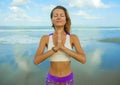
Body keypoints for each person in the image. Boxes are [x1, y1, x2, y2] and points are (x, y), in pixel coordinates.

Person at [34, 5, 86, 85]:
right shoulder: (45, 38)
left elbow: (83, 60)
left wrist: (63, 48)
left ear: (66, 19)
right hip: (51, 80)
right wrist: (55, 49)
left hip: (68, 79)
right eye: (55, 16)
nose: (58, 17)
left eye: (62, 15)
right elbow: (36, 61)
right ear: (52, 20)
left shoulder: (73, 38)